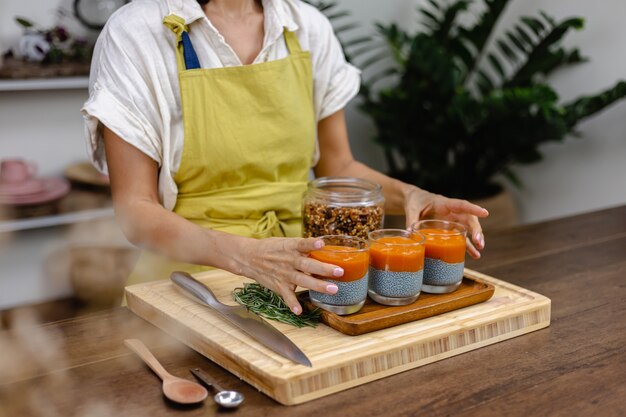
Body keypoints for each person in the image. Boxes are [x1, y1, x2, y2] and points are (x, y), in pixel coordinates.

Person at [82, 0, 488, 314]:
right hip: (188, 284)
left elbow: (337, 168)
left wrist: (413, 196)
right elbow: (135, 210)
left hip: (306, 278)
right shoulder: (136, 32)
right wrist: (246, 255)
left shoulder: (307, 26)